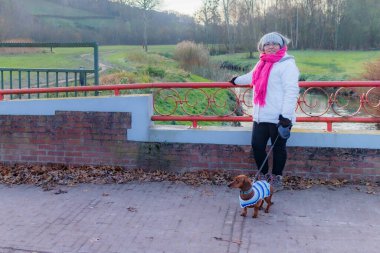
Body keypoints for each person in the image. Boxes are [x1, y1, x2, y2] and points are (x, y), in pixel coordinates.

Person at [229, 32, 300, 191]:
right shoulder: (261, 62)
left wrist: (286, 117)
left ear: (281, 46)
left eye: (275, 43)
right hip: (261, 116)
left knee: (278, 149)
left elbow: (291, 90)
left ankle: (276, 178)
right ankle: (263, 175)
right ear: (262, 47)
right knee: (257, 146)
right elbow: (252, 77)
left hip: (279, 117)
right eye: (267, 44)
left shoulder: (287, 64)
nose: (271, 46)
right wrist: (236, 80)